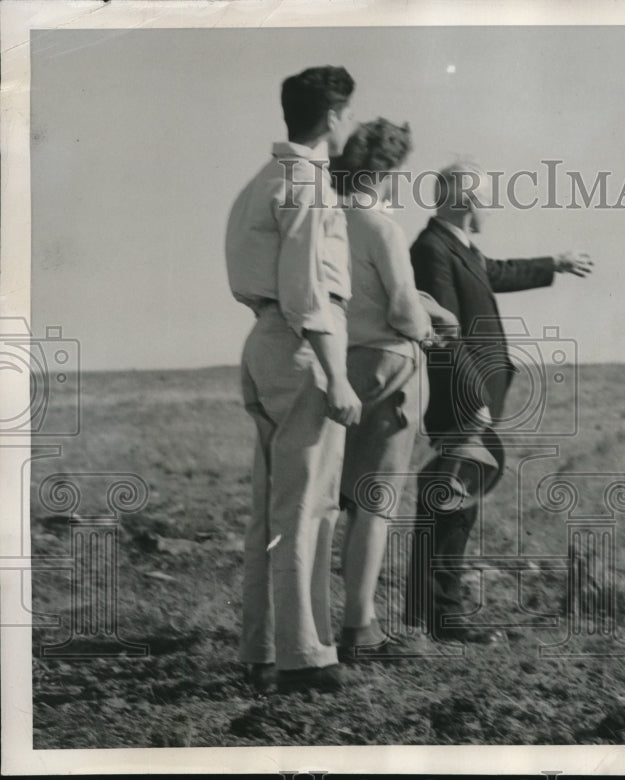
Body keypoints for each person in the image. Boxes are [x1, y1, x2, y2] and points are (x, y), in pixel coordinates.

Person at [404, 161, 593, 641]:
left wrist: (555, 263)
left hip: (475, 395)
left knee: (451, 494)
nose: (490, 205)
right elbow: (445, 330)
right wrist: (472, 397)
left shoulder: (457, 247)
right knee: (453, 497)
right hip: (463, 394)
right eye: (485, 196)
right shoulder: (431, 248)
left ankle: (428, 612)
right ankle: (441, 615)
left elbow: (497, 273)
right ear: (464, 200)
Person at [225, 66, 362, 693]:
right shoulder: (308, 182)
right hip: (303, 343)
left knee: (271, 510)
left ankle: (262, 652)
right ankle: (305, 658)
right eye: (346, 112)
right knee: (307, 506)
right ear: (333, 116)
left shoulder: (262, 179)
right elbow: (308, 291)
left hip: (263, 340)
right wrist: (338, 375)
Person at [328, 119, 458, 660]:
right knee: (375, 505)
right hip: (390, 366)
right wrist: (432, 324)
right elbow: (402, 311)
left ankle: (318, 623)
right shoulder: (381, 226)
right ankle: (361, 629)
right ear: (385, 170)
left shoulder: (328, 220)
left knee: (334, 503)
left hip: (339, 360)